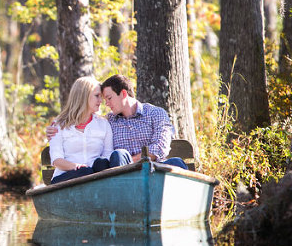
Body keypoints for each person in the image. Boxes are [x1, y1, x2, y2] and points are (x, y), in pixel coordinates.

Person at [48, 74, 188, 170]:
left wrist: (132, 162)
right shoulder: (109, 121)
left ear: (123, 94)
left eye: (109, 98)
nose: (106, 104)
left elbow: (160, 147)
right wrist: (51, 130)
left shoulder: (155, 114)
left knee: (177, 163)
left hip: (156, 171)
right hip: (125, 176)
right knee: (119, 154)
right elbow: (82, 124)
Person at [48, 76, 114, 184]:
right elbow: (57, 160)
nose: (100, 101)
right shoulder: (59, 125)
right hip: (65, 178)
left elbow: (108, 154)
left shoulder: (103, 124)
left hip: (95, 178)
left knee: (100, 165)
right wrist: (77, 167)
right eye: (97, 96)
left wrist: (93, 171)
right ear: (84, 96)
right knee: (85, 172)